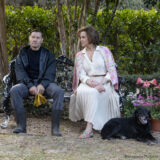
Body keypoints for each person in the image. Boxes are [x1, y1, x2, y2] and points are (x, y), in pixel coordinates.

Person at [69, 26, 120, 138]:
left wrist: (102, 83)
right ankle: (89, 128)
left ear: (90, 37)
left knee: (95, 93)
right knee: (89, 92)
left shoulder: (104, 51)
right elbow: (80, 74)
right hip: (87, 83)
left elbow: (111, 70)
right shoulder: (79, 55)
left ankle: (89, 128)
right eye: (80, 37)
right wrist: (89, 83)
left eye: (83, 37)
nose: (80, 40)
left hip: (104, 82)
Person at [10, 30, 64, 136]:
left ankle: (55, 129)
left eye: (38, 38)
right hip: (26, 85)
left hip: (45, 85)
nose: (35, 40)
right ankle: (21, 126)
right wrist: (30, 86)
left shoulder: (48, 55)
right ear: (29, 39)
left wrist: (42, 84)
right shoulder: (22, 54)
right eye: (33, 37)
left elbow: (50, 72)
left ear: (42, 40)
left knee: (58, 91)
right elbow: (20, 73)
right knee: (14, 90)